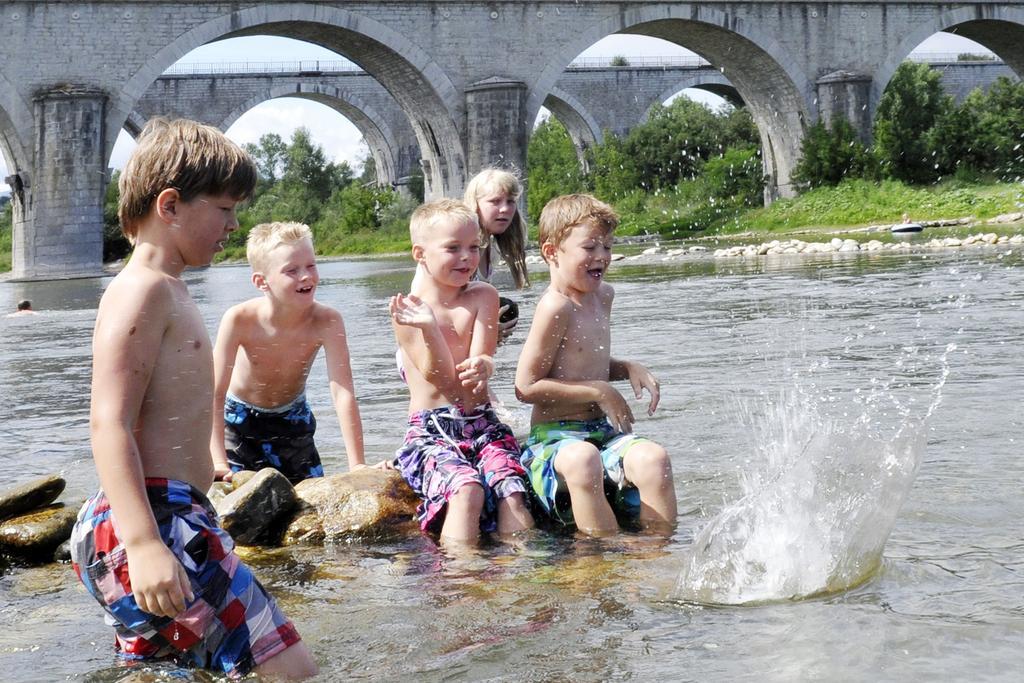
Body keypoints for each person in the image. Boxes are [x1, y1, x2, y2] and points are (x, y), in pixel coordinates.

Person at [68, 118, 318, 680]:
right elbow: (110, 423)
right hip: (153, 520)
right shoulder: (143, 291)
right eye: (225, 209)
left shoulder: (168, 288)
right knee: (291, 670)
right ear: (171, 206)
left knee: (173, 673)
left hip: (166, 515)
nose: (234, 224)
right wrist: (143, 543)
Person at [514, 194, 677, 537]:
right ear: (551, 252)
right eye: (589, 247)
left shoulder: (604, 296)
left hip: (601, 434)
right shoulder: (554, 308)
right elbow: (525, 387)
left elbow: (586, 361)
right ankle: (599, 560)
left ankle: (659, 551)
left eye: (607, 246)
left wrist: (627, 367)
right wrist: (599, 390)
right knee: (584, 460)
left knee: (654, 459)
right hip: (555, 440)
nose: (601, 256)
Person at [389, 198, 534, 545]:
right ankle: (461, 578)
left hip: (483, 422)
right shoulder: (409, 311)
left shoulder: (484, 295)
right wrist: (429, 329)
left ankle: (527, 573)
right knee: (467, 488)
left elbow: (481, 356)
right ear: (420, 254)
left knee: (510, 489)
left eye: (473, 247)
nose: (467, 258)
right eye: (453, 249)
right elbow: (442, 379)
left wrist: (485, 364)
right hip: (432, 429)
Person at [209, 221, 365, 484]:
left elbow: (342, 392)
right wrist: (217, 461)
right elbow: (214, 392)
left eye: (311, 265)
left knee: (307, 499)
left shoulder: (327, 320)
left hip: (293, 420)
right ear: (262, 281)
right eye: (291, 270)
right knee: (236, 497)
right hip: (238, 421)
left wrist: (357, 464)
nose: (306, 276)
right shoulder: (239, 319)